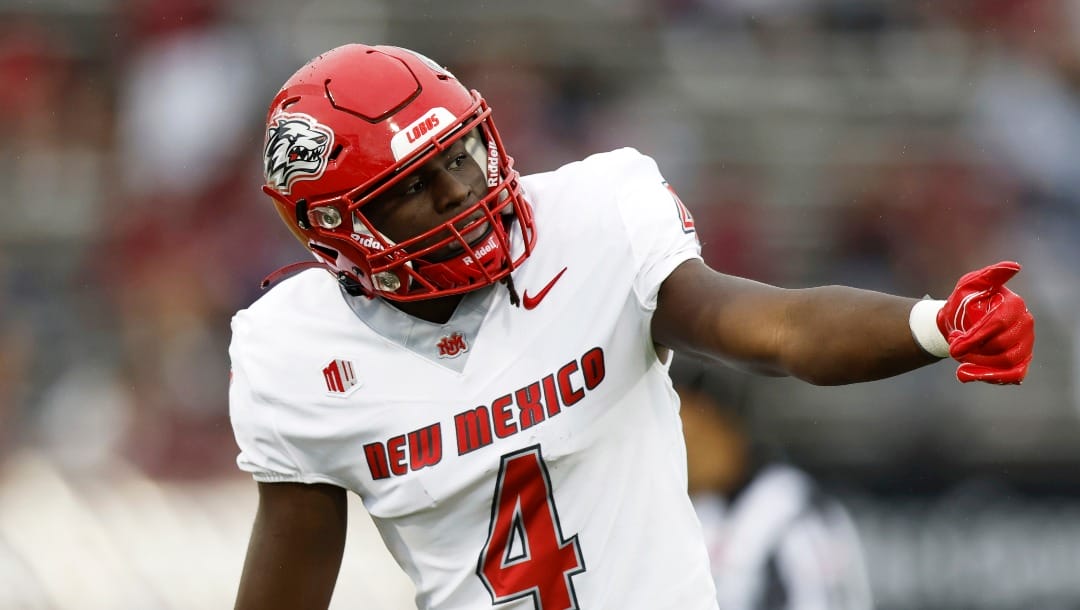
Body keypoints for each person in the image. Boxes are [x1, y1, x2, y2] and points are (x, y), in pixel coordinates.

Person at [228, 43, 1034, 610]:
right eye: (413, 187)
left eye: (461, 156)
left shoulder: (596, 216)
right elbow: (288, 586)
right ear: (333, 228)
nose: (460, 193)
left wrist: (931, 323)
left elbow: (774, 328)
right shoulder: (293, 356)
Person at [672, 354, 874, 610]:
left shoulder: (789, 509)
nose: (686, 454)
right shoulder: (697, 507)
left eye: (691, 438)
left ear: (727, 426)